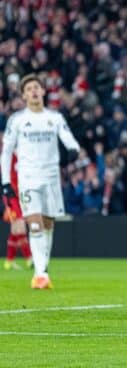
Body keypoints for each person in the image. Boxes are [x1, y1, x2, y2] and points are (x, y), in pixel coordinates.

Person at [0, 74, 80, 289]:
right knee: (33, 222)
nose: (34, 91)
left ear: (43, 91)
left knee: (47, 224)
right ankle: (40, 273)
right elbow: (6, 152)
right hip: (27, 178)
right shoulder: (16, 120)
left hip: (51, 178)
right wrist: (6, 182)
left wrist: (73, 151)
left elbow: (69, 139)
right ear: (24, 95)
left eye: (37, 87)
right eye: (29, 89)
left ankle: (43, 268)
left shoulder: (54, 118)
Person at [2, 154, 32, 270]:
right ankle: (29, 259)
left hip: (21, 195)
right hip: (11, 195)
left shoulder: (21, 156)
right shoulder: (9, 156)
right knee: (20, 228)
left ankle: (9, 261)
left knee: (15, 230)